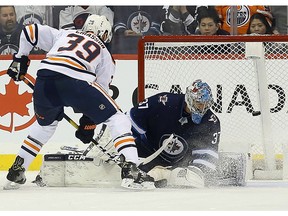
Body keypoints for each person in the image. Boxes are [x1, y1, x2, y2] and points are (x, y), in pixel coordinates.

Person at [4, 14, 154, 190]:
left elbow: (29, 31)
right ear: (105, 34)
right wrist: (88, 123)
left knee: (45, 126)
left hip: (45, 81)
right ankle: (131, 168)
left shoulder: (64, 34)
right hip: (77, 83)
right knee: (117, 118)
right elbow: (100, 90)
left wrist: (20, 59)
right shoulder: (105, 53)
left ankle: (17, 168)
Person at [127, 79, 221, 187]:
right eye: (199, 103)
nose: (203, 108)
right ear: (189, 99)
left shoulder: (211, 122)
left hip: (182, 164)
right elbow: (129, 123)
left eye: (206, 104)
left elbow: (206, 157)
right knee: (134, 174)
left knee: (191, 180)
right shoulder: (162, 102)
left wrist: (194, 174)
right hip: (149, 154)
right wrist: (128, 154)